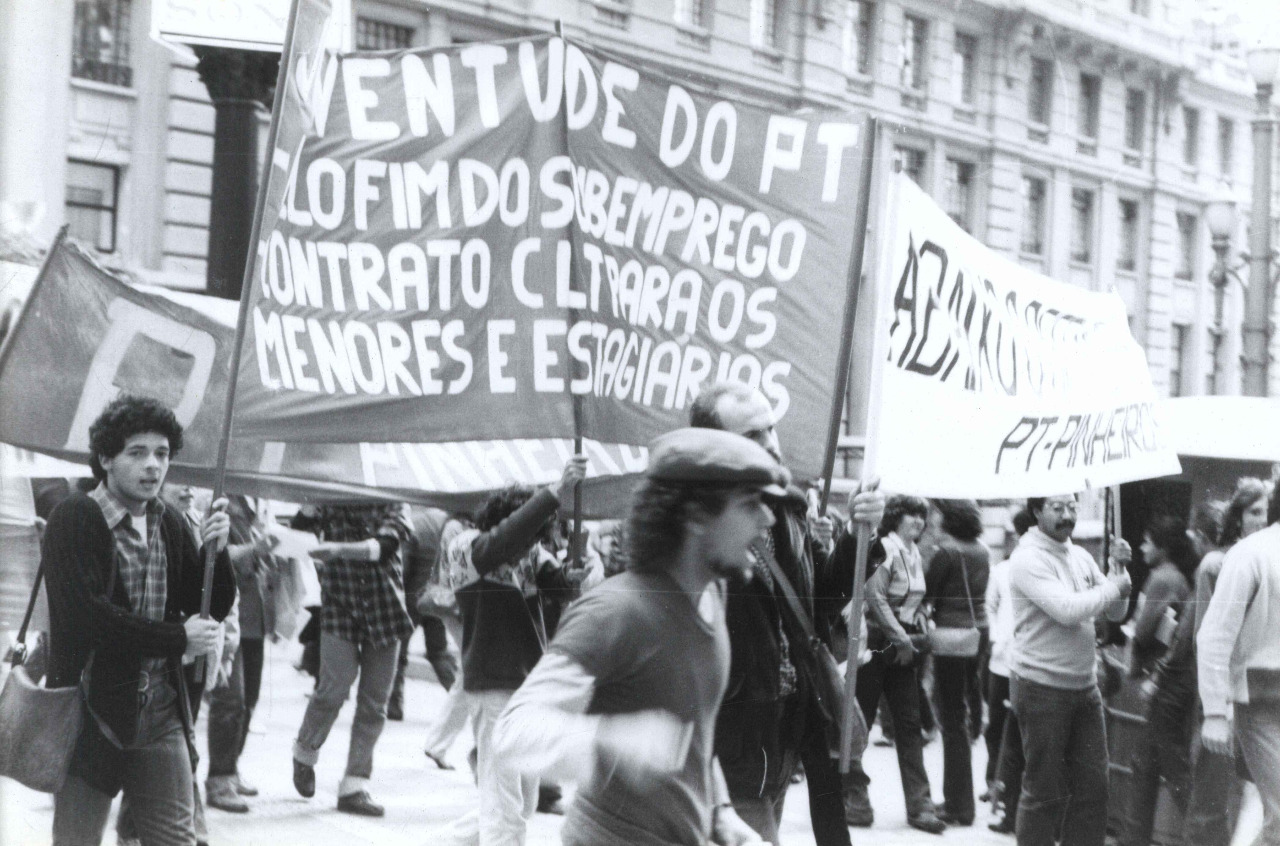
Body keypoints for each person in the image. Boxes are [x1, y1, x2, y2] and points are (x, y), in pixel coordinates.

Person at [493, 427, 783, 846]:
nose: (767, 518)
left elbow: (695, 735)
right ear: (696, 516)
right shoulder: (616, 611)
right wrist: (611, 740)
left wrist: (721, 813)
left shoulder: (713, 594)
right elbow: (512, 732)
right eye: (750, 503)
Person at [690, 381, 886, 844]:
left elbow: (820, 601)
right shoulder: (691, 526)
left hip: (788, 730)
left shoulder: (790, 508)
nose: (771, 444)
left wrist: (858, 536)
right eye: (753, 435)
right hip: (732, 744)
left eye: (771, 428)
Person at [44, 395, 235, 846]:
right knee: (77, 839)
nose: (153, 465)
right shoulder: (75, 517)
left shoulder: (169, 521)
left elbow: (209, 605)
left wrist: (218, 551)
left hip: (161, 714)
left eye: (162, 454)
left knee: (175, 838)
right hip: (92, 714)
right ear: (106, 459)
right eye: (137, 452)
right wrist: (177, 639)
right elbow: (88, 618)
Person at [445, 457, 587, 845]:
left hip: (527, 687)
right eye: (532, 534)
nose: (534, 545)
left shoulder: (529, 553)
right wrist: (555, 492)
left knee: (521, 802)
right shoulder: (466, 546)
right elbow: (503, 541)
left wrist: (571, 575)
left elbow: (560, 587)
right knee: (504, 809)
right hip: (492, 683)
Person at [1008, 493, 1131, 846]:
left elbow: (1115, 612)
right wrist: (1113, 587)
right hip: (1040, 686)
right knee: (1044, 791)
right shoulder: (1027, 559)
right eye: (1057, 508)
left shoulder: (1080, 556)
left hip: (1084, 687)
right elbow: (1067, 610)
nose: (1067, 515)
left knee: (1094, 789)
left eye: (1073, 507)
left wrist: (1118, 571)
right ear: (1036, 511)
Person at [290, 502, 415, 817]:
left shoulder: (393, 500)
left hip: (385, 609)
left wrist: (338, 549)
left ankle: (354, 786)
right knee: (333, 688)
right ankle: (304, 753)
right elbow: (297, 536)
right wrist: (308, 510)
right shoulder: (331, 498)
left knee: (374, 703)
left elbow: (385, 546)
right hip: (339, 605)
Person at [850, 494, 946, 834]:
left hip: (901, 644)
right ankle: (854, 799)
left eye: (921, 515)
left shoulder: (914, 552)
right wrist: (902, 638)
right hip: (877, 643)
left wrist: (918, 617)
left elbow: (911, 599)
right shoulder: (885, 547)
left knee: (909, 723)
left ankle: (920, 807)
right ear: (895, 517)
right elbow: (874, 597)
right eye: (910, 515)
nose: (918, 521)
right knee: (859, 724)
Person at [1182, 483, 1267, 846]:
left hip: (1262, 697)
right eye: (1254, 512)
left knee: (1253, 799)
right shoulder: (1219, 563)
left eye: (1268, 511)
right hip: (1226, 696)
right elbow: (1206, 638)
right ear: (1238, 518)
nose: (1263, 519)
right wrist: (1217, 705)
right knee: (1213, 798)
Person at [1118, 514, 1200, 846]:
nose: (1142, 547)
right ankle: (1132, 838)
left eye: (1147, 542)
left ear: (1163, 547)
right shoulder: (1178, 577)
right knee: (1147, 764)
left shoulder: (1162, 579)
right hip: (1173, 680)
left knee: (1170, 767)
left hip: (1163, 682)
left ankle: (1203, 836)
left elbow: (1142, 631)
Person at [205, 494, 274, 812]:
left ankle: (230, 769)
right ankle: (219, 779)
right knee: (230, 699)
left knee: (250, 699)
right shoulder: (220, 497)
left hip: (254, 613)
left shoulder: (257, 500)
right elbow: (213, 552)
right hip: (229, 612)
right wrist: (255, 549)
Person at [924, 498, 990, 827]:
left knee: (951, 719)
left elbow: (928, 595)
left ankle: (958, 805)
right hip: (978, 631)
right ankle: (959, 801)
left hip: (952, 635)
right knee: (960, 713)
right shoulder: (982, 549)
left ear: (949, 518)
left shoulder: (947, 552)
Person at [985, 507, 1035, 835]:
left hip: (1029, 665)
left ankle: (1013, 806)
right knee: (997, 731)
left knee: (1019, 741)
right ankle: (998, 788)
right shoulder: (1002, 570)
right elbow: (990, 607)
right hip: (1001, 663)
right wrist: (996, 638)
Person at [389, 505, 451, 720]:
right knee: (439, 652)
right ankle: (461, 698)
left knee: (398, 652)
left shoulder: (416, 523)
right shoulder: (447, 521)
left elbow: (403, 568)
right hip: (437, 599)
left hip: (411, 600)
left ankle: (394, 705)